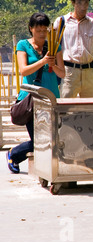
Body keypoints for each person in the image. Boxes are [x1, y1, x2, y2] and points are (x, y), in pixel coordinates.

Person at [6, 13, 65, 173]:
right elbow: (24, 70)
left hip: (51, 98)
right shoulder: (23, 45)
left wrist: (54, 64)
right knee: (39, 140)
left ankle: (47, 167)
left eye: (44, 30)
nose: (41, 33)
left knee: (53, 137)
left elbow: (62, 74)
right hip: (31, 99)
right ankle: (14, 154)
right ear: (31, 29)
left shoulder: (55, 46)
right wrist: (43, 61)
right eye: (38, 29)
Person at [55, 0, 93, 98]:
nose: (83, 7)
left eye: (86, 3)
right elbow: (54, 49)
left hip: (90, 71)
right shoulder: (60, 22)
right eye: (79, 3)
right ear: (73, 2)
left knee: (92, 108)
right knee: (66, 108)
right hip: (69, 72)